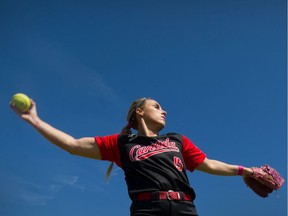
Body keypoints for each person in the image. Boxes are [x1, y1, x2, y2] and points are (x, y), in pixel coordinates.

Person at [11, 97, 253, 216]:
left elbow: (208, 164)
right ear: (139, 112)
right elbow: (73, 145)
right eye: (157, 106)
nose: (164, 110)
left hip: (184, 208)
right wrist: (35, 120)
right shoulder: (122, 143)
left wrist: (245, 171)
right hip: (146, 210)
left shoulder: (176, 140)